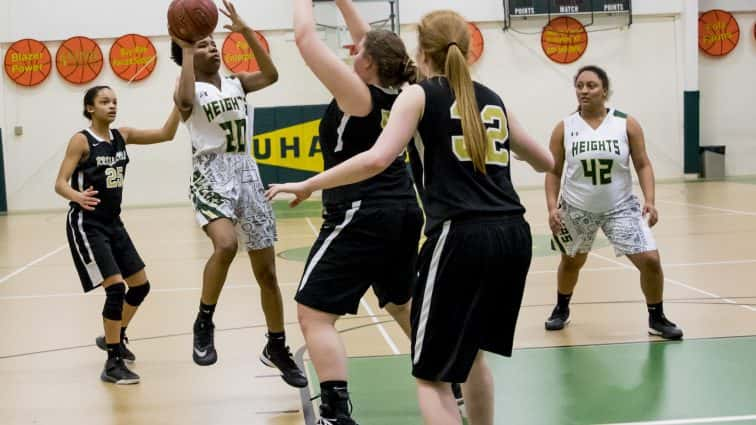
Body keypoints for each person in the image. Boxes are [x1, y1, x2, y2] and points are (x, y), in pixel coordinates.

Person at [267, 10, 553, 425]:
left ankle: (335, 411)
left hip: (459, 234)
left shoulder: (417, 96)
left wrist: (309, 184)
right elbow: (545, 160)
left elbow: (377, 158)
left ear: (422, 51)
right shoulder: (490, 97)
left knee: (431, 379)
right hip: (513, 233)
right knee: (471, 357)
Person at [289, 0, 422, 423]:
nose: (351, 51)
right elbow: (377, 43)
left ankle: (334, 412)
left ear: (367, 65)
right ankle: (448, 379)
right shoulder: (398, 89)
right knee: (401, 302)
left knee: (314, 314)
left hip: (361, 211)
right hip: (402, 207)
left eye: (358, 52)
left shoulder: (357, 95)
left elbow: (305, 38)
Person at [169, 0, 306, 387]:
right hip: (210, 175)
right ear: (188, 55)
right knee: (226, 245)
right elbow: (181, 103)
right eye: (202, 45)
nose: (211, 47)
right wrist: (185, 50)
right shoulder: (187, 88)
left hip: (247, 172)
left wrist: (244, 30)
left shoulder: (237, 82)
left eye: (213, 42)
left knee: (267, 273)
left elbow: (272, 74)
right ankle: (203, 321)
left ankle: (276, 346)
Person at [544, 65, 683, 340]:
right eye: (580, 85)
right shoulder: (564, 127)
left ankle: (657, 317)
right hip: (575, 206)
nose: (584, 90)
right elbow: (553, 170)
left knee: (651, 260)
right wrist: (551, 207)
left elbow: (643, 164)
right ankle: (561, 308)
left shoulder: (625, 123)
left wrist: (650, 200)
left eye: (591, 85)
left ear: (604, 90)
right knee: (571, 263)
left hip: (620, 207)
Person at [54, 85, 180, 384]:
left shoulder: (123, 135)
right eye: (104, 102)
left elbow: (166, 133)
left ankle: (115, 334)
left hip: (114, 223)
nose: (112, 106)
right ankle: (112, 363)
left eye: (114, 102)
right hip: (88, 224)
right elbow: (59, 183)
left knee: (140, 286)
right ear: (90, 108)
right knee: (115, 288)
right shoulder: (81, 141)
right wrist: (76, 196)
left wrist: (179, 104)